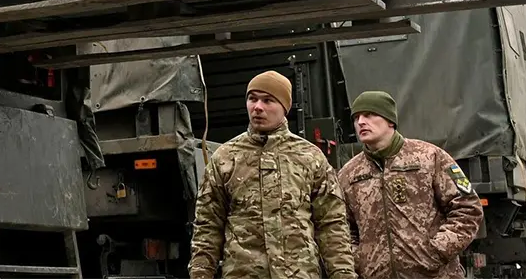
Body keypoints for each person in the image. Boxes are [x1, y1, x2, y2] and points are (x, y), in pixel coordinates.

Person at [188, 70, 356, 279]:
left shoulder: (309, 157)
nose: (258, 107)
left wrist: (343, 274)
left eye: (268, 100)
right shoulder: (225, 158)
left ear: (284, 107)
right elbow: (208, 225)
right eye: (252, 99)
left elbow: (331, 224)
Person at [336, 90, 484, 279]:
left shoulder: (429, 157)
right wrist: (359, 259)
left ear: (390, 120)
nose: (361, 122)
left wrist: (436, 251)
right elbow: (342, 227)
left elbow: (468, 209)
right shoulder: (349, 173)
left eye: (369, 115)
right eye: (356, 118)